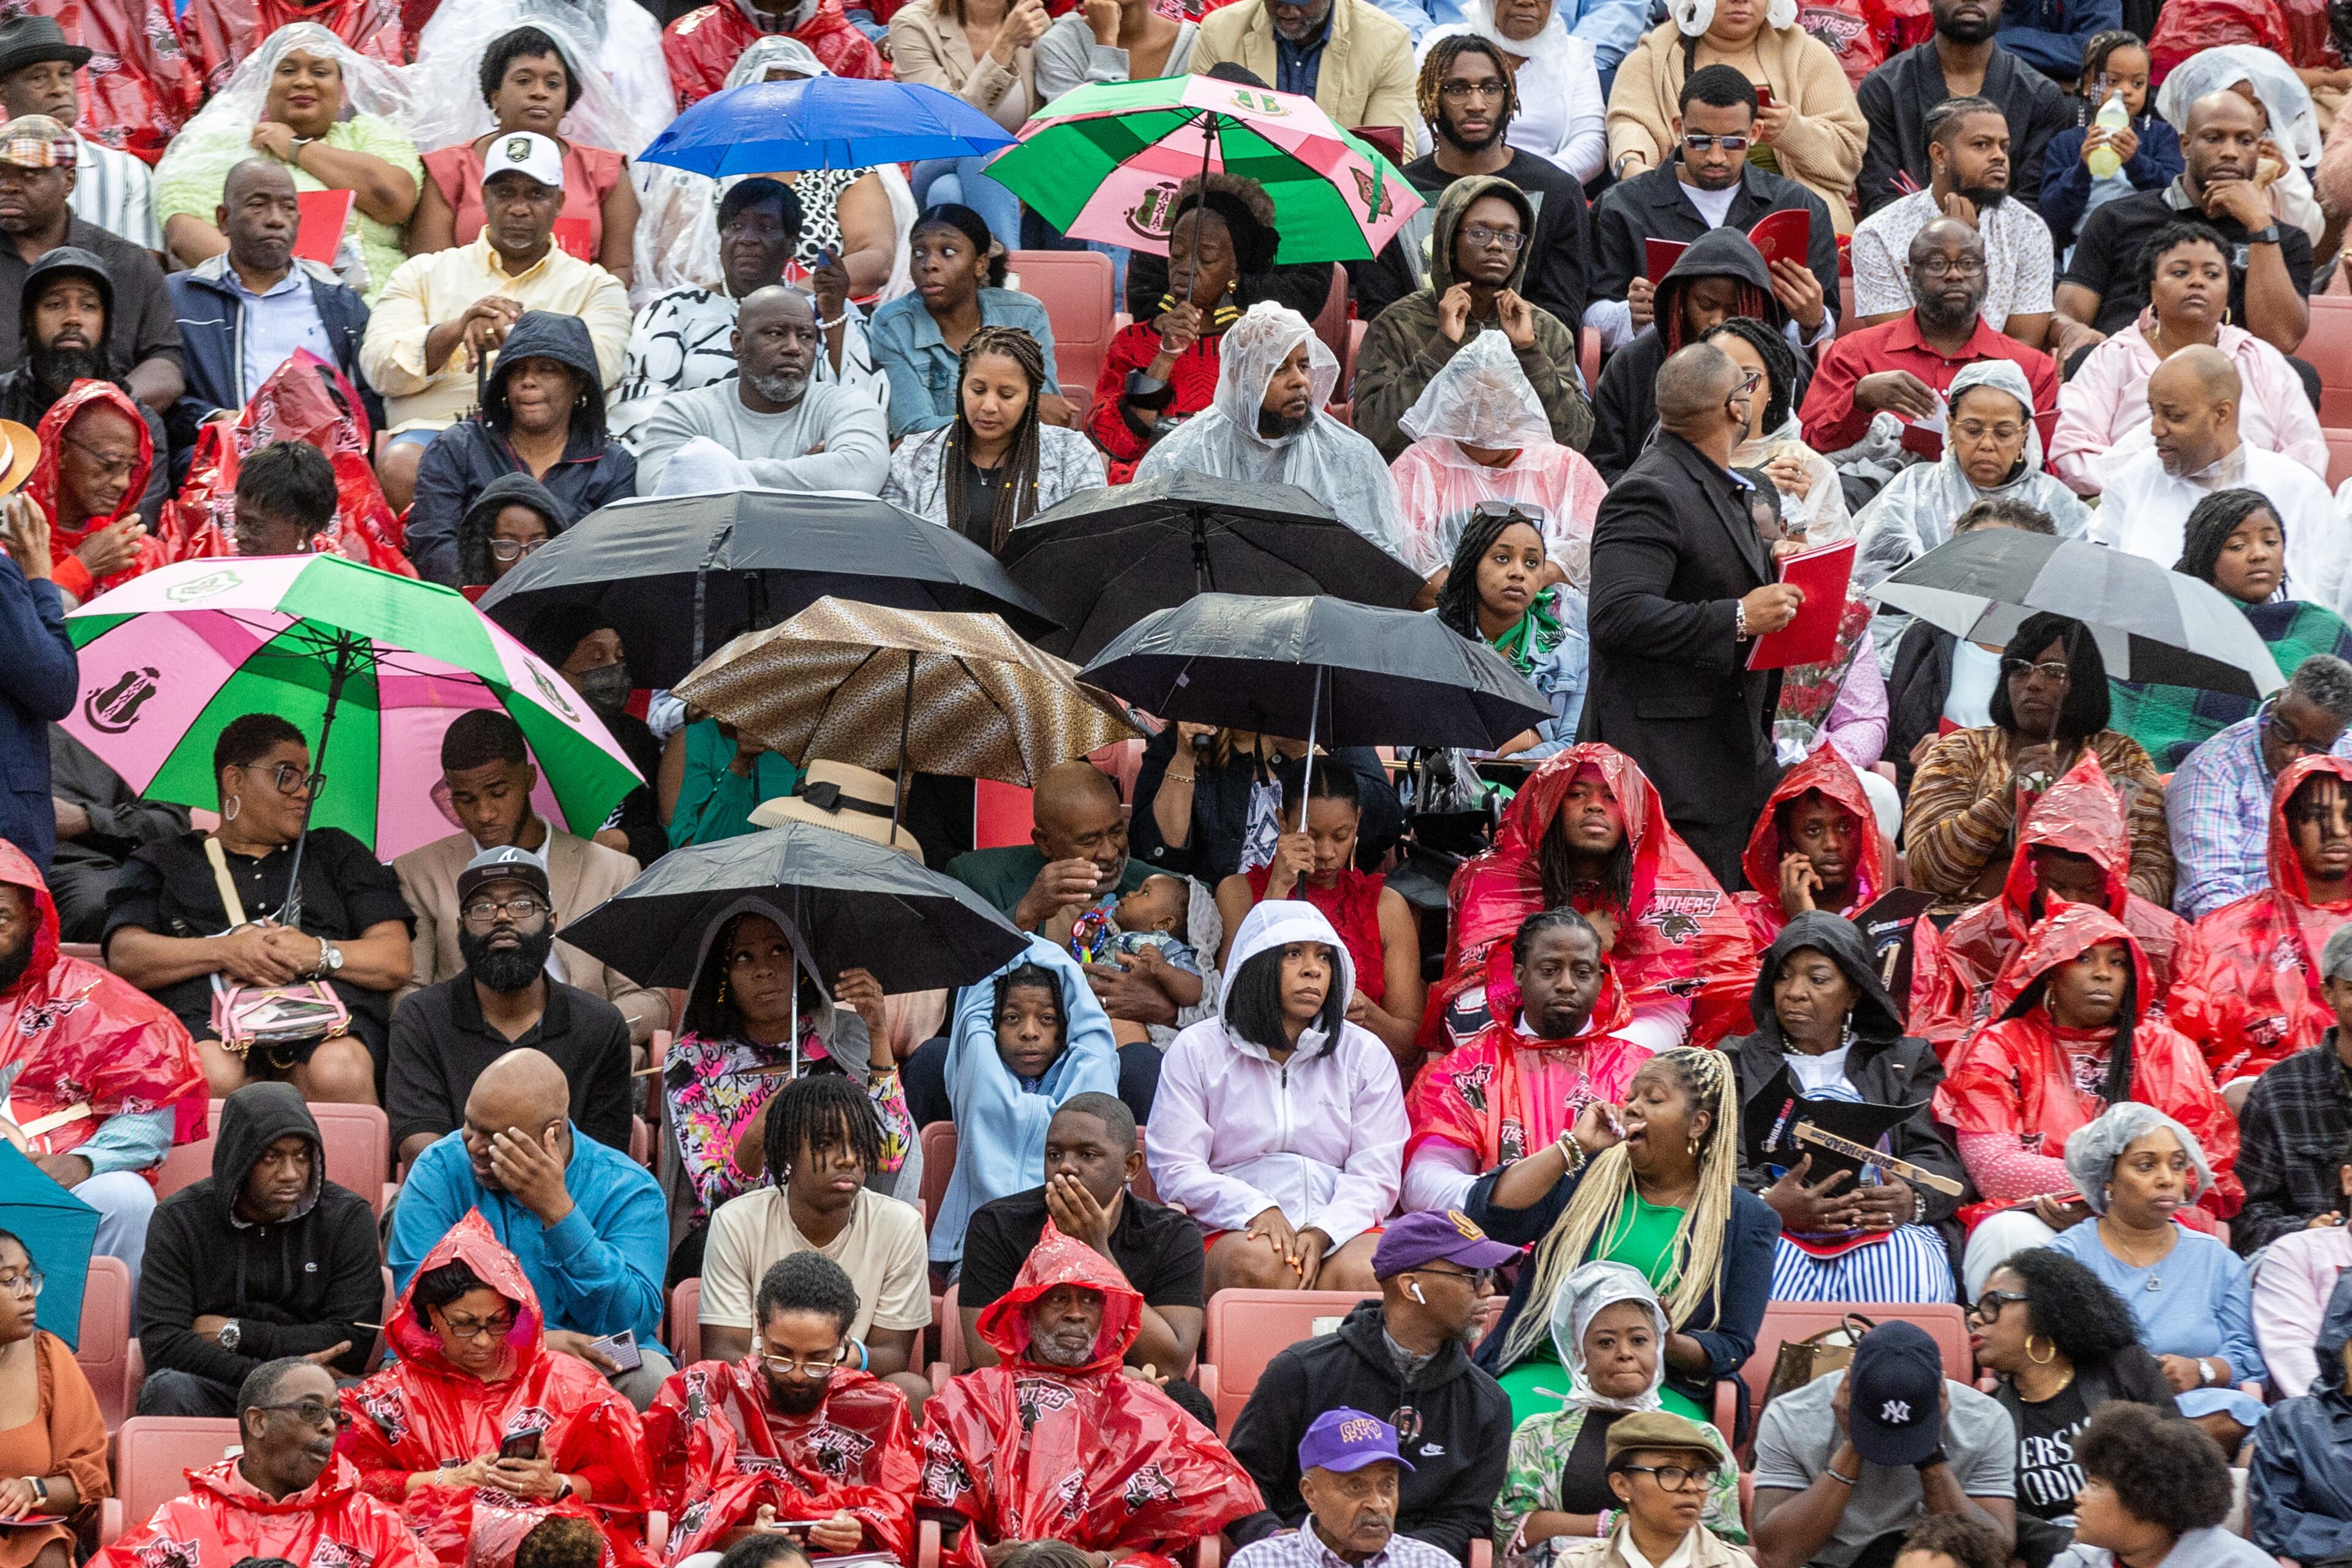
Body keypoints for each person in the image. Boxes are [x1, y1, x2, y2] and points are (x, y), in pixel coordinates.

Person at [103, 712, 413, 1104]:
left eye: (307, 778)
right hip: (208, 1016)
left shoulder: (336, 852)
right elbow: (125, 954)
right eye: (286, 775)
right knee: (211, 1071)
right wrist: (224, 950)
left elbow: (396, 959)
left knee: (339, 1070)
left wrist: (316, 953)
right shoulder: (164, 861)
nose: (302, 792)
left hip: (324, 1017)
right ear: (235, 780)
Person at [919, 1224, 1265, 1566]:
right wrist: (989, 1555)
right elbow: (943, 1511)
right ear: (1027, 1311)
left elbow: (1161, 1523)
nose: (1075, 1313)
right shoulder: (970, 1398)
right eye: (1058, 1298)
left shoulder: (1141, 1407)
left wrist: (1099, 1562)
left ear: (1105, 1314)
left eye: (1090, 1300)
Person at [1937, 907, 2239, 1294]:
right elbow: (1994, 1169)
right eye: (2083, 959)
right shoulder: (2000, 1043)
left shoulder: (2167, 1049)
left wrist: (2113, 1204)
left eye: (2117, 962)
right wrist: (2101, 1191)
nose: (2103, 974)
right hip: (2043, 1214)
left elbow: (2202, 1165)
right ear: (2050, 971)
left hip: (2154, 1219)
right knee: (2005, 1233)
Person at [1466, 1048, 1775, 1425]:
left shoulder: (1746, 1218)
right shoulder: (1583, 1174)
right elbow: (1491, 1218)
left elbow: (1732, 1345)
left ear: (1698, 1124)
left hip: (1657, 1388)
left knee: (1658, 1462)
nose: (1632, 1107)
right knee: (1511, 1435)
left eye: (1654, 1098)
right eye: (1631, 1097)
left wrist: (1666, 1340)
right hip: (1547, 1370)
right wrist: (1572, 1148)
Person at [1582, 341, 1785, 884]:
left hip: (1729, 764)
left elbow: (1707, 577)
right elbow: (1615, 615)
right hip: (1671, 777)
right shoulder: (1649, 490)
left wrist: (1773, 570)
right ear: (1736, 407)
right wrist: (1738, 616)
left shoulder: (1711, 482)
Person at [341, 1210, 653, 1564]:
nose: (484, 1341)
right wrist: (447, 1479)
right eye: (465, 1325)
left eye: (497, 1322)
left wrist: (557, 1484)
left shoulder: (569, 1382)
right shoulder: (387, 1398)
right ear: (431, 1315)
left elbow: (622, 1476)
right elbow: (349, 1479)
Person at [386, 1048, 673, 1409]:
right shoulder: (439, 1170)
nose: (473, 1145)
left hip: (591, 1361)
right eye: (470, 1125)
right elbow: (418, 1307)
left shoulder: (629, 1189)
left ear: (550, 1134)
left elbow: (629, 1321)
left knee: (651, 1379)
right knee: (403, 1387)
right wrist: (537, 1342)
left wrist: (559, 1213)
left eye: (492, 1136)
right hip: (463, 1358)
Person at [1146, 900, 1406, 1294]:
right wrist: (1256, 1209)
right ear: (1256, 963)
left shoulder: (1365, 1054)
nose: (1313, 969)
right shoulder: (1196, 1048)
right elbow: (1177, 1167)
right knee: (1262, 1266)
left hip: (1343, 1226)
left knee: (1371, 1274)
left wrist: (1324, 1231)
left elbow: (1376, 1173)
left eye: (1324, 957)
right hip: (1232, 1224)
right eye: (1292, 954)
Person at [360, 135, 630, 510]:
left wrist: (512, 338)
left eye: (536, 195)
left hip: (547, 441)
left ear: (560, 204)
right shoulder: (422, 273)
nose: (519, 209)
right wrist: (457, 331)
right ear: (484, 199)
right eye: (505, 193)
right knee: (405, 464)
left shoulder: (596, 286)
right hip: (438, 433)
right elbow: (379, 366)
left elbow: (602, 367)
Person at [1224, 1210, 1512, 1557]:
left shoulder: (1488, 1402)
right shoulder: (1301, 1370)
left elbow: (1465, 1520)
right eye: (1473, 1275)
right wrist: (1277, 1542)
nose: (1489, 1289)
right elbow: (1242, 1482)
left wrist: (1392, 1559)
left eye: (1490, 1275)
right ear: (1411, 1286)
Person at [1433, 744, 1755, 1053]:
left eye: (1612, 797)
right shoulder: (1493, 878)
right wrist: (1582, 942)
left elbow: (1673, 1004)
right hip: (1513, 1039)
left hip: (1622, 1049)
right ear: (1550, 806)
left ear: (1634, 813)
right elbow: (1470, 1007)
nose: (1595, 806)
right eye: (1576, 794)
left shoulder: (1667, 884)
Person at [0, 838, 202, 1300]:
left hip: (54, 1184)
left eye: (0, 917)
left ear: (34, 921)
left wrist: (83, 1162)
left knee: (125, 1198)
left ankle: (107, 1357)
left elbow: (147, 1120)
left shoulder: (94, 1000)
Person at [394, 712, 662, 1057]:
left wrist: (582, 1030)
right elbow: (407, 996)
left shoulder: (612, 871)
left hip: (581, 1053)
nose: (485, 813)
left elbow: (650, 1001)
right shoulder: (419, 872)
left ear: (530, 778)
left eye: (498, 792)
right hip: (471, 1055)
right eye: (465, 799)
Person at [1728, 913, 1964, 1303]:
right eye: (1783, 976)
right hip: (1774, 1226)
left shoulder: (1906, 1059)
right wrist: (1770, 1204)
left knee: (1910, 1278)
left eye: (1817, 979)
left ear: (1854, 990)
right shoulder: (1737, 1062)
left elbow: (1938, 1157)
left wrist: (1910, 1199)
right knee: (1758, 1281)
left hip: (1882, 1228)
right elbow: (1723, 1160)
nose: (1794, 992)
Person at [660, 906, 921, 1251]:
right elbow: (717, 1200)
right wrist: (756, 1138)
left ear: (802, 963)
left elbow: (888, 1153)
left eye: (779, 950)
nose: (764, 970)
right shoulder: (690, 1059)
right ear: (722, 976)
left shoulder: (841, 1039)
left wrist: (877, 1030)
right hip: (738, 1237)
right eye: (742, 958)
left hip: (836, 1229)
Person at [1907, 752, 2190, 1060]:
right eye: (2057, 887)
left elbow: (2192, 1044)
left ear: (2113, 880)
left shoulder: (2168, 941)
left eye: (2088, 889)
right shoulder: (1973, 939)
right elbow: (1932, 1033)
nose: (2072, 901)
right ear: (2033, 872)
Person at [647, 1251, 920, 1565]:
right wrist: (742, 1538)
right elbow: (665, 1515)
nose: (797, 1373)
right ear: (760, 1330)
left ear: (843, 1344)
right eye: (781, 1354)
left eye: (818, 1358)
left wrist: (862, 1530)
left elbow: (900, 1513)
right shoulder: (707, 1393)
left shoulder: (876, 1407)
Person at [135, 1083, 383, 1418]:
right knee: (168, 1388)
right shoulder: (180, 1219)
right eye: (271, 1157)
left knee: (359, 1403)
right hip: (219, 1383)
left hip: (313, 1386)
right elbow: (164, 1344)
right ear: (239, 1159)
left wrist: (234, 1333)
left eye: (302, 1157)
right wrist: (262, 1375)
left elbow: (352, 1341)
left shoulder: (347, 1217)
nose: (291, 1175)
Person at [1902, 612, 2171, 908]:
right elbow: (1928, 873)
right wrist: (2006, 799)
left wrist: (2084, 909)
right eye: (2020, 669)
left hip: (2093, 934)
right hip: (1965, 923)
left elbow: (2152, 871)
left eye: (2054, 671)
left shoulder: (2121, 757)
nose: (2033, 682)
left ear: (2083, 682)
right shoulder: (1959, 751)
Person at [386, 845, 631, 1169]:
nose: (503, 917)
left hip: (566, 1203)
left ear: (552, 922)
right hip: (455, 1205)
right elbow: (420, 1149)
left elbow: (605, 1160)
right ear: (460, 926)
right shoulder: (420, 1018)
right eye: (483, 907)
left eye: (522, 905)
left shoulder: (600, 1025)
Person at [698, 1076, 930, 1406]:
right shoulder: (737, 1221)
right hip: (760, 1386)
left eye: (858, 1144)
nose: (848, 1159)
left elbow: (893, 1353)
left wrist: (848, 1358)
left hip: (847, 1388)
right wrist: (789, 1368)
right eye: (825, 1144)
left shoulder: (900, 1225)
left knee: (912, 1389)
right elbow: (724, 1350)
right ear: (788, 1152)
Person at [1493, 1262, 1746, 1562]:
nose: (1624, 1352)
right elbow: (1510, 1531)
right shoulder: (1539, 1435)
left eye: (1639, 1340)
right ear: (1579, 1356)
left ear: (1659, 1347)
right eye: (1605, 1342)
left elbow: (1721, 1541)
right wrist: (1608, 1525)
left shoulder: (1701, 1439)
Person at [957, 1094, 1205, 1398]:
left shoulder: (1173, 1234)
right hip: (1026, 1391)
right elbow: (987, 1355)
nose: (1066, 1168)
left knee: (1188, 1401)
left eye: (1087, 1155)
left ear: (1131, 1166)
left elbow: (1169, 1362)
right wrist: (1103, 1378)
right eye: (1054, 1155)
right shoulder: (997, 1225)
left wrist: (1097, 1250)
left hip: (1131, 1396)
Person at [1405, 908, 1652, 1212]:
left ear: (1601, 980)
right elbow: (1424, 1182)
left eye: (1582, 972)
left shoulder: (1641, 1071)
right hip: (1491, 1245)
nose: (1566, 984)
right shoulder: (1460, 1072)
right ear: (1519, 974)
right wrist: (1505, 1206)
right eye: (1549, 970)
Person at [1585, 69, 1838, 365]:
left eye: (1733, 142)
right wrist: (1629, 315)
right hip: (1658, 369)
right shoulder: (1623, 206)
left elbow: (1822, 328)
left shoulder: (1797, 206)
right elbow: (1590, 315)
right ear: (1678, 127)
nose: (1716, 157)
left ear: (1754, 134)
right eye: (1701, 140)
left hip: (1764, 374)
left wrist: (1811, 320)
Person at [153, 29, 418, 311]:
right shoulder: (223, 146)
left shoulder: (368, 135)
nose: (303, 81)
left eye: (320, 72)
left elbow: (392, 198)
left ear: (341, 90)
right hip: (256, 306)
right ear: (264, 84)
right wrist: (283, 289)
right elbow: (184, 231)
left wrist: (295, 147)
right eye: (288, 70)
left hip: (385, 311)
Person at [2045, 1107, 2263, 1441]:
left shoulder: (2214, 1258)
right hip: (2101, 1412)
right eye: (2146, 1165)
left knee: (2249, 1419)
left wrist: (2201, 1370)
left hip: (2201, 1409)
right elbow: (2051, 1357)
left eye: (2177, 1164)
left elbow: (2248, 1356)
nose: (2167, 1179)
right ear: (2108, 1178)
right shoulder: (2067, 1258)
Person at [2051, 229, 2323, 497]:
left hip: (2248, 513)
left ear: (2228, 291)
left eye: (2212, 274)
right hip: (2136, 506)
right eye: (2180, 272)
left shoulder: (2259, 358)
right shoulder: (2114, 357)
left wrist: (2243, 496)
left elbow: (2305, 452)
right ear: (2153, 290)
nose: (2197, 282)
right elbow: (2073, 453)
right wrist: (2154, 485)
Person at [1131, 300, 1409, 558]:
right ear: (1237, 376)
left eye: (1303, 366)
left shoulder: (1349, 455)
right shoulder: (1182, 456)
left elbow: (1378, 560)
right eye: (1279, 369)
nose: (1299, 381)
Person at [609, 178, 880, 440]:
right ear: (721, 238)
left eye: (765, 228)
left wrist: (833, 315)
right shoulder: (675, 310)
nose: (747, 239)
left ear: (791, 243)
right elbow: (639, 408)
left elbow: (862, 406)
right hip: (698, 464)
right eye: (736, 226)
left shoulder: (825, 308)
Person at [2086, 345, 2348, 616]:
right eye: (2153, 412)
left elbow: (2331, 602)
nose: (2156, 429)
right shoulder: (2131, 484)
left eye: (2174, 416)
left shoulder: (2298, 490)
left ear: (2222, 414)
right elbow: (2100, 593)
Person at [1354, 36, 1594, 329]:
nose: (1476, 104)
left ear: (1508, 97)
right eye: (1457, 89)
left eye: (1491, 89)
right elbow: (1380, 314)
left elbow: (1562, 315)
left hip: (1525, 358)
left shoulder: (1559, 191)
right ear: (1431, 97)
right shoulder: (1391, 193)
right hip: (1416, 361)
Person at [1352, 173, 1592, 462]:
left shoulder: (1544, 330)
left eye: (1509, 237)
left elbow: (1575, 442)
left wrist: (1530, 353)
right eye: (1479, 233)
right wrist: (1441, 348)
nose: (1496, 246)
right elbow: (1373, 436)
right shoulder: (1398, 324)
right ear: (1449, 242)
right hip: (1424, 492)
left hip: (1523, 495)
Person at [100, 1359, 430, 1568]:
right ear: (258, 1423)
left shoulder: (369, 1522)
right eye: (311, 1410)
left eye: (335, 1416)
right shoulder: (184, 1523)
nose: (330, 1426)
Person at [2057, 91, 2315, 357]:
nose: (2230, 152)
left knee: (2301, 375)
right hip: (2127, 373)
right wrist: (2074, 331)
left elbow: (2280, 341)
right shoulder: (2117, 218)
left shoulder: (2284, 240)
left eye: (2245, 141)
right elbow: (2067, 314)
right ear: (2185, 145)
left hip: (2235, 382)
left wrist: (2259, 225)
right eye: (2213, 138)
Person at [1969, 1248, 2179, 1568]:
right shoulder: (1992, 1415)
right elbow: (2010, 1518)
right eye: (1975, 1307)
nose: (1974, 1317)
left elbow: (2179, 1461)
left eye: (1992, 1304)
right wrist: (2082, 1550)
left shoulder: (2124, 1369)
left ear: (2044, 1308)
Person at [2108, 495, 2352, 770]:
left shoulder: (2322, 629)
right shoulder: (2164, 626)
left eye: (2271, 542)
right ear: (2206, 556)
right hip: (2176, 783)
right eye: (2237, 546)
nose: (2260, 554)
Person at [1750, 1320, 2018, 1568]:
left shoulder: (1985, 1421)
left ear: (1941, 1388)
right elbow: (1779, 1554)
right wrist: (1853, 1444)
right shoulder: (1791, 1416)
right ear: (1848, 1380)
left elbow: (1992, 1554)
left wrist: (1932, 1455)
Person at [1799, 222, 2064, 468]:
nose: (1955, 274)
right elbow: (1806, 450)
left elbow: (2043, 470)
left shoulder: (2032, 368)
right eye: (1937, 264)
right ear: (1909, 274)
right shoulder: (1855, 353)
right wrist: (1859, 401)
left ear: (1986, 273)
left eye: (1969, 263)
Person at [1213, 764, 1425, 1067]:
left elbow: (1409, 1044)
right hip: (1262, 1069)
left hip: (1356, 1077)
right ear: (1283, 821)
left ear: (1358, 822)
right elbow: (1229, 1005)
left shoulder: (1386, 907)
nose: (1326, 852)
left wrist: (1369, 1014)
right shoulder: (1237, 893)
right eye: (1311, 835)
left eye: (1341, 836)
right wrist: (1278, 888)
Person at [403, 309, 636, 585]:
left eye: (547, 370)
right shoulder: (457, 447)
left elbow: (612, 559)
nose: (528, 381)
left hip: (569, 612)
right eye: (518, 371)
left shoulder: (613, 465)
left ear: (578, 383)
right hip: (471, 609)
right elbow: (433, 541)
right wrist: (485, 603)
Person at [165, 159, 373, 464]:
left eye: (288, 208)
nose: (276, 220)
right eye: (258, 205)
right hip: (222, 460)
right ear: (224, 219)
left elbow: (368, 399)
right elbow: (161, 398)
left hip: (322, 466)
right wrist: (214, 418)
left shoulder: (340, 301)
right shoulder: (180, 297)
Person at [930, 940, 1120, 1272]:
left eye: (1047, 1019)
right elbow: (973, 1012)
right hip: (982, 1251)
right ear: (992, 1025)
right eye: (1012, 1018)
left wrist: (1055, 960)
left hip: (1068, 1250)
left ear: (1066, 1026)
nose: (1029, 1032)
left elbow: (1096, 1039)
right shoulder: (976, 1072)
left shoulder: (1088, 1080)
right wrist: (1011, 949)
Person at [1604, 0, 1868, 236]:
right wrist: (1633, 166)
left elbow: (1848, 156)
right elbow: (1630, 126)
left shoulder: (1809, 56)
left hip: (1790, 219)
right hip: (1679, 214)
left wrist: (1792, 131)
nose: (1741, 1)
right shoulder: (1651, 59)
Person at [2169, 752, 2352, 1085]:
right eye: (2316, 816)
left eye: (2350, 816)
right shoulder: (2227, 933)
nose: (2338, 831)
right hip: (2267, 1106)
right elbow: (2185, 1045)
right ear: (2286, 824)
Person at [412, 28, 638, 288]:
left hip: (572, 317)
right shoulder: (448, 169)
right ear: (494, 97)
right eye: (524, 81)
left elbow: (619, 270)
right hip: (470, 316)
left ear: (567, 101)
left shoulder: (605, 171)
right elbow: (429, 272)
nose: (539, 92)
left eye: (553, 84)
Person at [1085, 175, 1274, 486]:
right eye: (1178, 254)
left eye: (1207, 258)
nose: (1185, 267)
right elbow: (1112, 443)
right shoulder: (1132, 342)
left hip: (1236, 488)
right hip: (1149, 489)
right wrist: (1164, 358)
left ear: (1236, 270)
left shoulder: (1260, 340)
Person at [1849, 96, 2062, 352]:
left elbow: (2024, 343)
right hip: (1909, 382)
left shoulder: (2028, 229)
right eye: (1982, 145)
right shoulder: (1878, 233)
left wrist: (1971, 251)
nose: (1999, 157)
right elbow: (1895, 344)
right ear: (1939, 154)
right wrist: (1951, 245)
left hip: (1997, 381)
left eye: (2004, 147)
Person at [1389, 334, 1606, 584]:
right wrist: (1472, 603)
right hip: (1445, 617)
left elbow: (1597, 547)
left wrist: (1528, 583)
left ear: (1519, 407)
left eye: (1494, 409)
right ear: (1449, 405)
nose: (1478, 423)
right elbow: (1405, 562)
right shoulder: (1420, 466)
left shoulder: (1563, 468)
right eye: (1468, 408)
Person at [0, 118, 179, 418]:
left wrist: (99, 409)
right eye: (0, 175)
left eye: (28, 174)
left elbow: (166, 365)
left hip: (105, 445)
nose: (8, 187)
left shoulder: (129, 264)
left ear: (68, 181)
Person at [635, 285, 886, 496]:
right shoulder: (684, 411)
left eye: (806, 336)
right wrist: (810, 472)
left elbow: (859, 477)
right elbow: (660, 491)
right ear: (737, 343)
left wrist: (712, 472)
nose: (794, 348)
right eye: (776, 334)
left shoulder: (848, 405)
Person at [2169, 653, 2352, 920]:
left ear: (2338, 737)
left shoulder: (2345, 755)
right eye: (2285, 731)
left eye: (2312, 748)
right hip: (2255, 933)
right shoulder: (2213, 769)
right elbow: (2212, 893)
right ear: (2278, 702)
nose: (2292, 754)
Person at [882, 324, 1103, 543]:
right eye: (977, 390)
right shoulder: (914, 456)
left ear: (1030, 398)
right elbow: (893, 546)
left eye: (1006, 395)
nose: (989, 406)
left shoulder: (1073, 454)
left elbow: (1091, 542)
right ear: (961, 387)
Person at [1855, 0, 2070, 219]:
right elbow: (1880, 202)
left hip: (2009, 247)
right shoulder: (1884, 88)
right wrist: (1938, 237)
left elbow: (2033, 211)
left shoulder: (2041, 96)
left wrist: (1978, 240)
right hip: (1905, 246)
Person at [870, 205, 1067, 443]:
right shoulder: (893, 323)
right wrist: (1018, 414)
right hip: (937, 468)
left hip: (1020, 461)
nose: (929, 264)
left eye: (948, 251)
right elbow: (913, 428)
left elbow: (1051, 416)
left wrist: (951, 426)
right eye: (919, 253)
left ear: (980, 264)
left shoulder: (1024, 315)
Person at [0, 249, 165, 529]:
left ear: (107, 323)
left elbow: (139, 527)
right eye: (55, 305)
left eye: (88, 306)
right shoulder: (4, 401)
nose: (73, 319)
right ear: (29, 320)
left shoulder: (139, 420)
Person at [1131, 730, 1403, 894]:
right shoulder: (1184, 740)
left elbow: (1385, 824)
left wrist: (1309, 754)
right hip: (1215, 917)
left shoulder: (1332, 732)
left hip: (1316, 913)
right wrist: (1185, 758)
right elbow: (1155, 856)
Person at [888, 0, 1042, 252]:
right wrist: (1004, 45)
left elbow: (1046, 120)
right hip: (936, 158)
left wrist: (1018, 178)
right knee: (983, 146)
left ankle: (978, 282)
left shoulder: (1034, 23)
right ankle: (1006, 272)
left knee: (947, 193)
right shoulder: (913, 24)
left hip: (1014, 167)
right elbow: (951, 126)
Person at [2236, 926, 2352, 1252]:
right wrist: (2306, 1232)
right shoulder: (2279, 1090)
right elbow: (2246, 1220)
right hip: (2310, 1274)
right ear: (2329, 994)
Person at [0, 14, 158, 251]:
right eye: (39, 78)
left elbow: (142, 273)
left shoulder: (127, 173)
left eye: (65, 74)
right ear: (4, 94)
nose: (59, 89)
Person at [2048, 1402, 2272, 1567]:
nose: (2079, 1497)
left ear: (2144, 1497)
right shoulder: (2075, 1563)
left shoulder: (2239, 1564)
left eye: (2095, 1485)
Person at [1231, 1409, 1461, 1568]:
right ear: (1310, 1493)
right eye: (1356, 1486)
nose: (1378, 1504)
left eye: (1388, 1485)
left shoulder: (1434, 1563)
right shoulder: (1259, 1561)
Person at [19, 377, 162, 608]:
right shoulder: (13, 540)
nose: (123, 483)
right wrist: (82, 568)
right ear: (63, 451)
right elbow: (21, 637)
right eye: (110, 464)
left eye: (132, 468)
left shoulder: (138, 551)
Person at [1422, 0, 1601, 181]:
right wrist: (1469, 181)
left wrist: (1534, 181)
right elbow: (1420, 129)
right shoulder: (1442, 45)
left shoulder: (1575, 55)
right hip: (1450, 182)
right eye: (1458, 90)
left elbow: (1590, 142)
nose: (1527, 2)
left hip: (1545, 186)